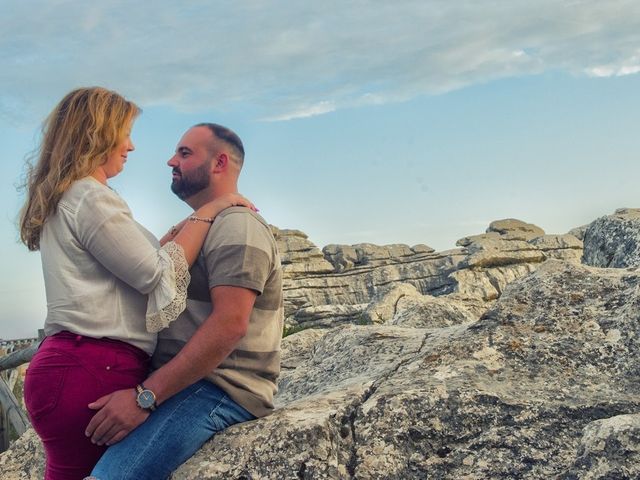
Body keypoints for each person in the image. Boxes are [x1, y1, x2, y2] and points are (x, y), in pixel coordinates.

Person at [19, 88, 254, 480]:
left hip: (68, 366)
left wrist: (180, 228)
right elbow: (156, 274)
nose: (130, 145)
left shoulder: (71, 196)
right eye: (124, 133)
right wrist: (212, 210)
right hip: (92, 366)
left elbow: (137, 260)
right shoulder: (90, 198)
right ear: (98, 134)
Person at [85, 123, 284, 479]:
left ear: (220, 163)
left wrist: (144, 398)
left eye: (185, 153)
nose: (170, 161)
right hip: (188, 386)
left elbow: (230, 325)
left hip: (217, 389)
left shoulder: (237, 225)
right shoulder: (203, 224)